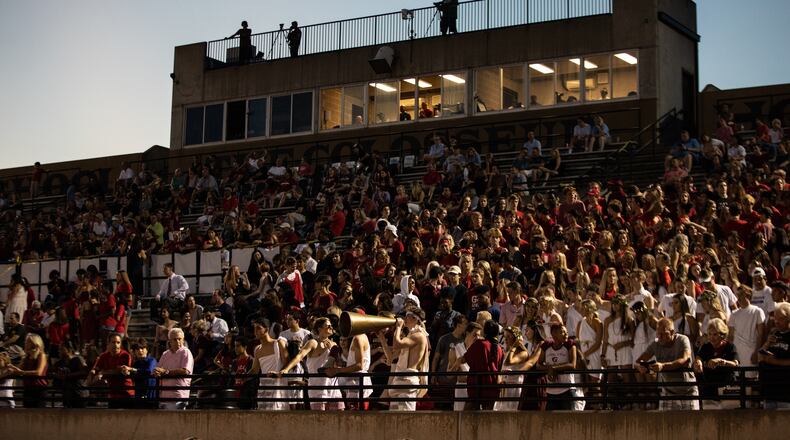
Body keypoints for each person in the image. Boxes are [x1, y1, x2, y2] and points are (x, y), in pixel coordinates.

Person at [279, 317, 344, 410]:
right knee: (320, 420)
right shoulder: (313, 342)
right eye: (328, 326)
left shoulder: (334, 344)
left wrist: (335, 354)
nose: (331, 327)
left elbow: (339, 364)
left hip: (333, 387)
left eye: (331, 326)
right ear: (319, 329)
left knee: (339, 415)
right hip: (318, 388)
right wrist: (286, 369)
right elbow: (300, 356)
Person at [634, 318, 699, 410]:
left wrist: (663, 366)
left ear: (672, 332)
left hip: (687, 390)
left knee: (692, 422)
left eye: (663, 334)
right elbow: (638, 361)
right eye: (658, 333)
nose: (659, 337)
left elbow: (684, 359)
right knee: (664, 422)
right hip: (668, 391)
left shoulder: (682, 340)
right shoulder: (656, 344)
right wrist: (640, 366)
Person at [379, 308, 429, 411]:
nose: (405, 318)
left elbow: (397, 345)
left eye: (408, 316)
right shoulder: (409, 336)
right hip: (399, 382)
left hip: (407, 382)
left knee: (405, 419)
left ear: (416, 319)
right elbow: (390, 359)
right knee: (394, 419)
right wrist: (382, 339)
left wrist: (398, 328)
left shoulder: (419, 336)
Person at [693, 318, 738, 408]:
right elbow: (698, 358)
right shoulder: (706, 347)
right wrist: (698, 362)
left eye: (715, 334)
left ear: (722, 335)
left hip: (726, 388)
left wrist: (721, 361)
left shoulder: (730, 347)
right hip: (709, 389)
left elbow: (735, 363)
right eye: (709, 334)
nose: (711, 337)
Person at [539, 324, 580, 410]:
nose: (566, 335)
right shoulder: (546, 346)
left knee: (568, 419)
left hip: (567, 390)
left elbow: (573, 365)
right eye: (562, 332)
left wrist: (553, 368)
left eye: (566, 332)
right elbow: (539, 365)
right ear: (554, 334)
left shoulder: (570, 345)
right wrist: (549, 368)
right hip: (551, 391)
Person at [251, 318, 289, 411]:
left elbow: (286, 363)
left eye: (258, 328)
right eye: (254, 328)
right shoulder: (257, 349)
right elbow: (254, 370)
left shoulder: (278, 343)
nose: (255, 331)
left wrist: (278, 373)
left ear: (266, 330)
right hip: (264, 386)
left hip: (277, 384)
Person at [758, 302, 790, 408]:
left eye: (780, 318)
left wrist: (774, 361)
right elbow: (760, 356)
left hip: (786, 393)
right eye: (775, 318)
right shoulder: (774, 333)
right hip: (770, 391)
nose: (776, 322)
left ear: (788, 318)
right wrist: (767, 343)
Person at [89, 333, 134, 408]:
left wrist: (103, 373)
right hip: (113, 394)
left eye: (118, 342)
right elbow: (96, 368)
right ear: (108, 343)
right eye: (113, 342)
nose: (116, 345)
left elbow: (119, 371)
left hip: (126, 393)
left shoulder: (125, 355)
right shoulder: (103, 356)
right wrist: (93, 373)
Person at [153, 327, 194, 410]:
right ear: (169, 341)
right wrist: (156, 372)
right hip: (164, 396)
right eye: (175, 339)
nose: (178, 341)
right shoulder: (165, 354)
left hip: (178, 396)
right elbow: (158, 368)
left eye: (180, 339)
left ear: (183, 340)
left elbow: (185, 371)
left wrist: (166, 372)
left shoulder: (186, 352)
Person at [7, 334, 48, 407]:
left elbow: (38, 372)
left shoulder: (41, 355)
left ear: (34, 343)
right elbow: (19, 370)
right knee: (27, 411)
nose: (25, 343)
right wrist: (12, 369)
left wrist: (21, 372)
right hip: (28, 388)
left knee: (38, 413)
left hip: (39, 389)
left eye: (27, 341)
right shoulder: (26, 357)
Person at [121, 337, 158, 408]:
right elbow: (132, 374)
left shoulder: (152, 360)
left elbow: (149, 371)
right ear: (134, 351)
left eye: (142, 348)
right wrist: (126, 372)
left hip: (150, 397)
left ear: (147, 350)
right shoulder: (136, 363)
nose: (140, 351)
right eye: (137, 349)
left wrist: (132, 369)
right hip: (139, 396)